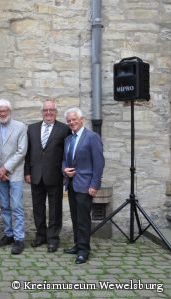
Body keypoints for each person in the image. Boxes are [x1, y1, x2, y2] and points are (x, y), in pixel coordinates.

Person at [24, 99, 70, 253]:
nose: (48, 113)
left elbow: (67, 153)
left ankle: (53, 239)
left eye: (51, 110)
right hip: (36, 175)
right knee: (38, 208)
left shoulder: (64, 129)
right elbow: (28, 153)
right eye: (45, 110)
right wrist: (27, 172)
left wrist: (65, 172)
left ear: (56, 112)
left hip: (55, 175)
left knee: (55, 209)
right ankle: (41, 235)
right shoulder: (32, 128)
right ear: (42, 112)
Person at [62, 107, 104, 264]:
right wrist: (64, 170)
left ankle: (84, 250)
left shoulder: (92, 137)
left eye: (74, 119)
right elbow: (64, 160)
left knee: (83, 219)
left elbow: (99, 163)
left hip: (86, 186)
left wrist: (95, 185)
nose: (71, 122)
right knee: (75, 217)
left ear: (81, 120)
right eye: (69, 121)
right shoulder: (68, 139)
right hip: (72, 184)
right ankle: (77, 244)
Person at [0, 99, 28, 254]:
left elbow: (22, 151)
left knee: (17, 206)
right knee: (4, 206)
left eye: (5, 110)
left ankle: (19, 238)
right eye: (0, 111)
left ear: (10, 111)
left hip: (15, 174)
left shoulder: (20, 127)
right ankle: (9, 234)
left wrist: (5, 168)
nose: (3, 113)